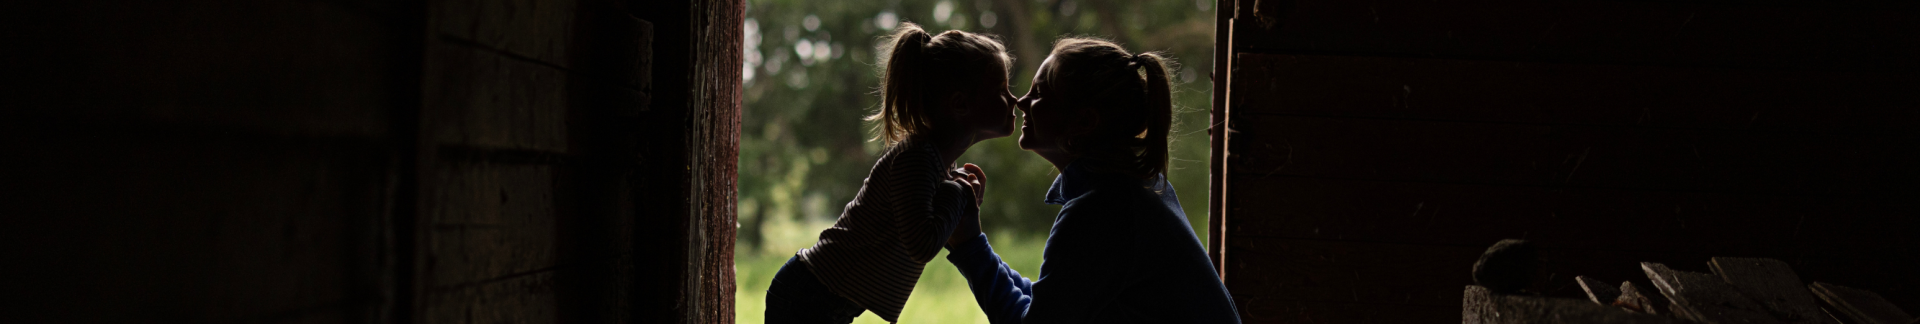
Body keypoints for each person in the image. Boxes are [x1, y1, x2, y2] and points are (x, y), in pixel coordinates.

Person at [944, 38, 1242, 323]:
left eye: (1039, 93)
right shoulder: (1136, 189)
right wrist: (973, 243)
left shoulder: (1102, 211)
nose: (1021, 102)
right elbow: (1053, 301)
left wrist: (969, 244)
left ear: (1084, 122)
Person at [763, 22, 1016, 324]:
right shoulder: (917, 159)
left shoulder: (936, 163)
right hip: (809, 295)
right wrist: (956, 193)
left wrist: (961, 203)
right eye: (1001, 90)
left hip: (823, 296)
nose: (1014, 100)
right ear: (960, 104)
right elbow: (922, 245)